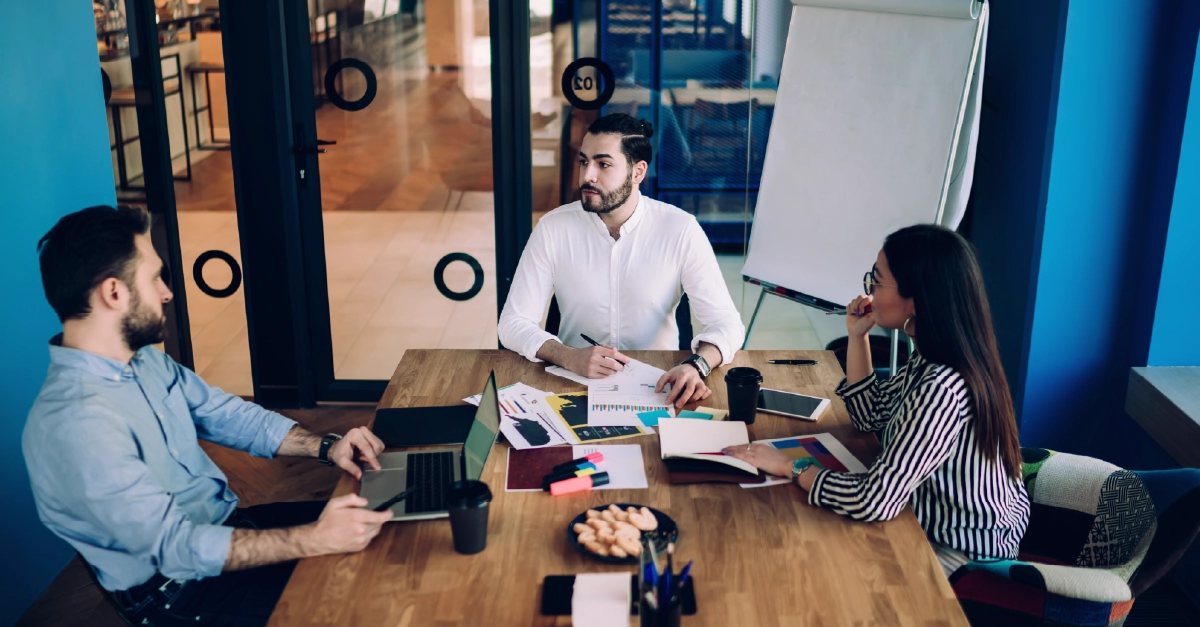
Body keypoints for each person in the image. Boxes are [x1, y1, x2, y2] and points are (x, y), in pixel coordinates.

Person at [22, 206, 395, 626]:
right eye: (154, 278)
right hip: (181, 590)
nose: (167, 293)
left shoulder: (143, 362)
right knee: (364, 606)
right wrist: (313, 539)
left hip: (224, 528)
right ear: (114, 293)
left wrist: (327, 447)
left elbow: (223, 414)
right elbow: (175, 548)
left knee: (391, 526)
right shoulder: (75, 424)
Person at [723, 224, 1030, 577]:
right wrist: (857, 338)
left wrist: (789, 467)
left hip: (964, 557)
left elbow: (875, 500)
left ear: (916, 298)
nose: (868, 289)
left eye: (877, 281)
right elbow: (869, 416)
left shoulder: (943, 385)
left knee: (808, 564)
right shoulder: (936, 356)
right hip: (930, 522)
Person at [497, 113, 745, 407]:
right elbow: (512, 322)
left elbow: (727, 324)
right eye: (583, 161)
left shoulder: (679, 229)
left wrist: (697, 365)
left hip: (660, 387)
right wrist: (568, 355)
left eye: (603, 164)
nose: (587, 176)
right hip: (572, 385)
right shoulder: (553, 227)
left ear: (637, 172)